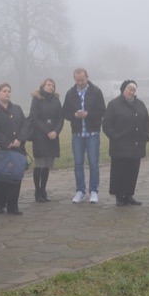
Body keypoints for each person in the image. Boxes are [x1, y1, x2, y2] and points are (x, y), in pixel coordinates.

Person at [103, 80, 149, 206]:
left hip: (136, 144)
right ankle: (119, 196)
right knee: (120, 171)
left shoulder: (140, 104)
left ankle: (129, 195)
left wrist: (147, 134)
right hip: (120, 145)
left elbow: (146, 121)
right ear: (123, 90)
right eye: (130, 89)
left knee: (133, 171)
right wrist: (115, 137)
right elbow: (106, 124)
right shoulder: (114, 104)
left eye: (134, 90)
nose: (132, 92)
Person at [61, 68, 106, 204]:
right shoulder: (70, 93)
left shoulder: (96, 91)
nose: (80, 82)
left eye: (82, 80)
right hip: (77, 134)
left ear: (87, 77)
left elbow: (102, 111)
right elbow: (64, 112)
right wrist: (74, 115)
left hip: (92, 133)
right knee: (78, 163)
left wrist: (88, 114)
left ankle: (94, 191)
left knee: (93, 163)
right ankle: (80, 191)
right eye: (77, 80)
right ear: (74, 79)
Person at [0, 83, 30, 215]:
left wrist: (19, 139)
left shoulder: (17, 108)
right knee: (1, 176)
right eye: (4, 91)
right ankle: (0, 204)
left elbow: (25, 125)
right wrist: (6, 142)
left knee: (15, 176)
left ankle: (13, 205)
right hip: (0, 149)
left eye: (9, 91)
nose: (7, 93)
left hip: (17, 149)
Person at [27, 78, 62, 202]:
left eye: (53, 85)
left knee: (47, 165)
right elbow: (34, 117)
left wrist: (55, 131)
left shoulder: (56, 100)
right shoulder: (37, 99)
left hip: (53, 136)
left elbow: (60, 119)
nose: (51, 87)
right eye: (49, 85)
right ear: (43, 86)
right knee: (39, 165)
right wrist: (47, 131)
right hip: (40, 135)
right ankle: (37, 191)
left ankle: (44, 190)